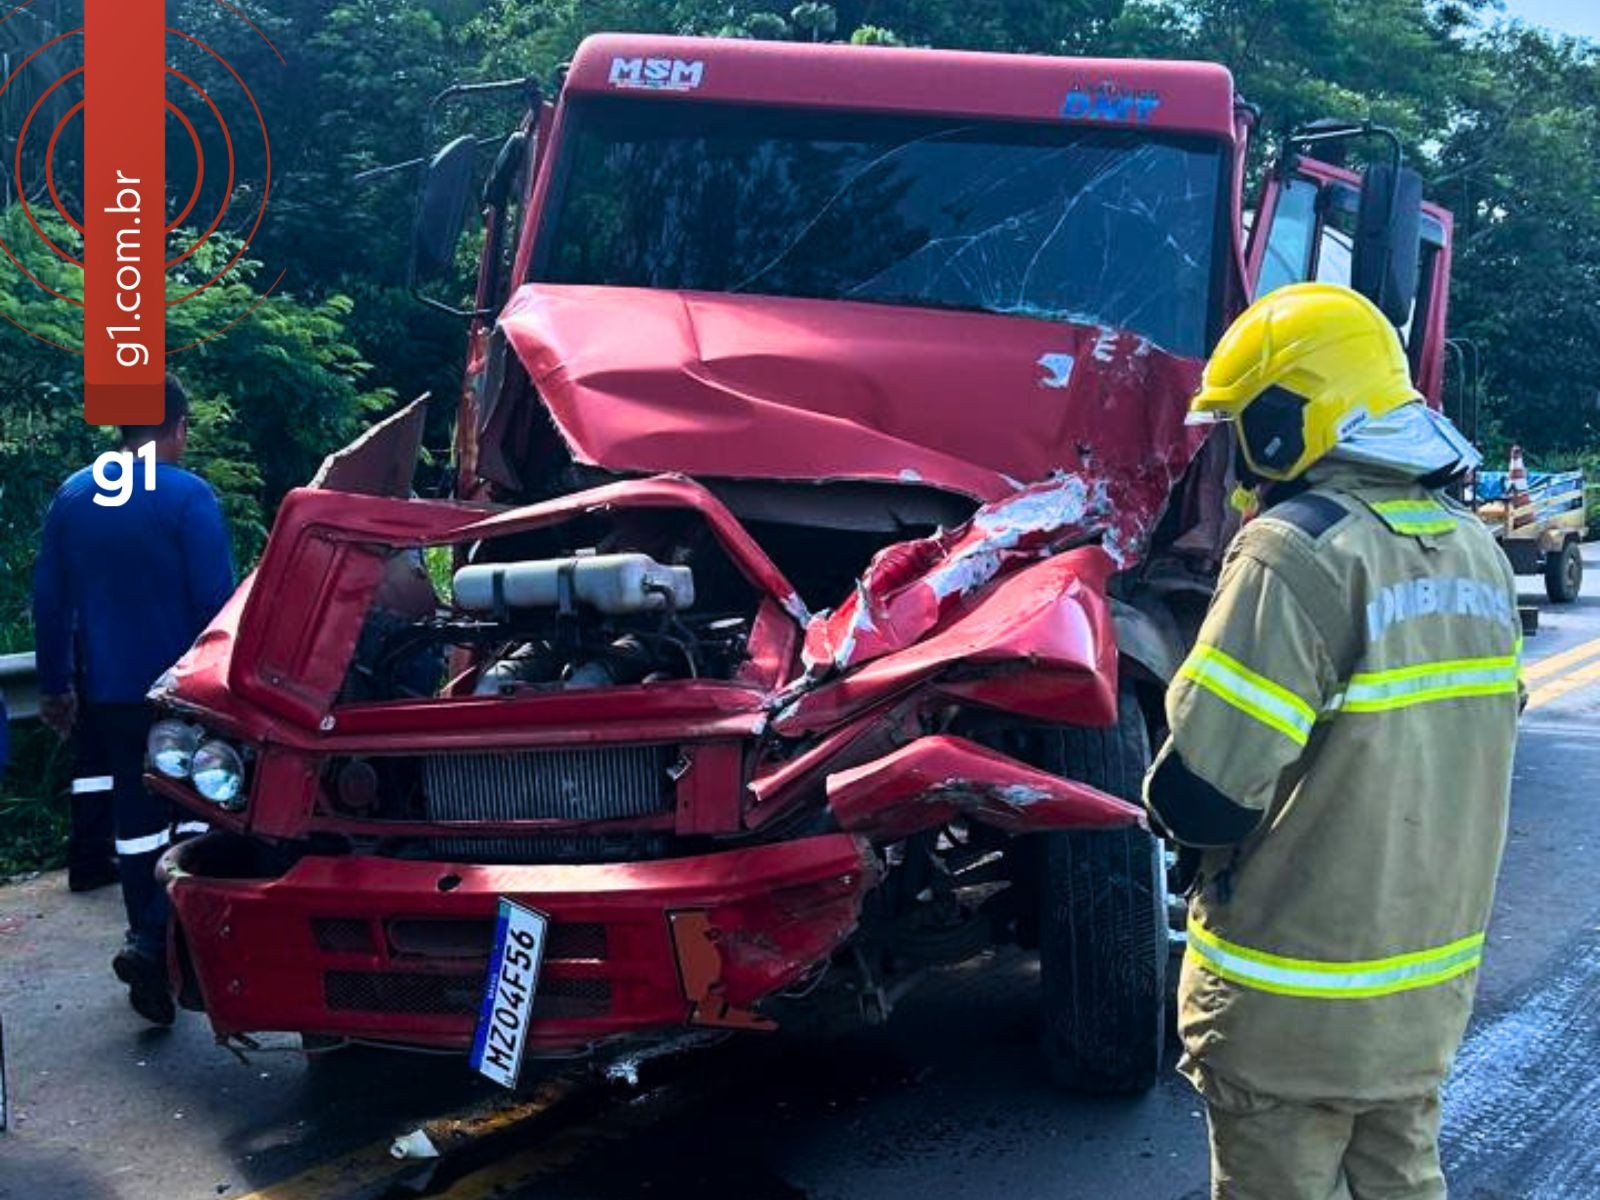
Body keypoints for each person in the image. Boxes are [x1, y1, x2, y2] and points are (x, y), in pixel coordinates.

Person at [1144, 282, 1519, 1200]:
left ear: (1286, 421)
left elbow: (1203, 794)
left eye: (1238, 426)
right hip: (1419, 1005)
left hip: (1289, 1017)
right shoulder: (1477, 554)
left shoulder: (1296, 552)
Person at [33, 374, 235, 1025]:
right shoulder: (188, 497)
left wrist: (56, 684)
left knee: (134, 825)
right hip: (183, 697)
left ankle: (145, 940)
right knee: (198, 816)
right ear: (177, 427)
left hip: (112, 695)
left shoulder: (72, 497)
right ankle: (159, 942)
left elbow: (50, 604)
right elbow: (217, 605)